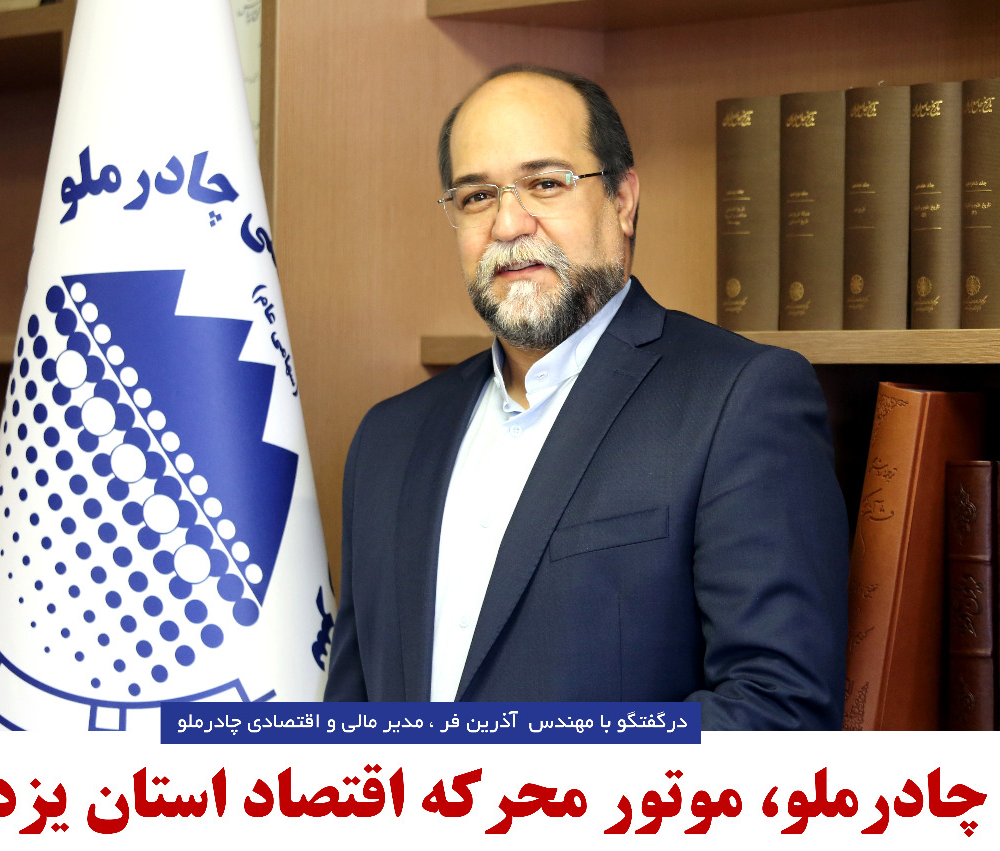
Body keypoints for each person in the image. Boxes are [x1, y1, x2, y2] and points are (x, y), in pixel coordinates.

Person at [324, 64, 849, 729]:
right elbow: (349, 725)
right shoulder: (389, 439)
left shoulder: (738, 400)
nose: (509, 224)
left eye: (546, 183)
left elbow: (777, 709)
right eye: (477, 196)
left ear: (623, 200)